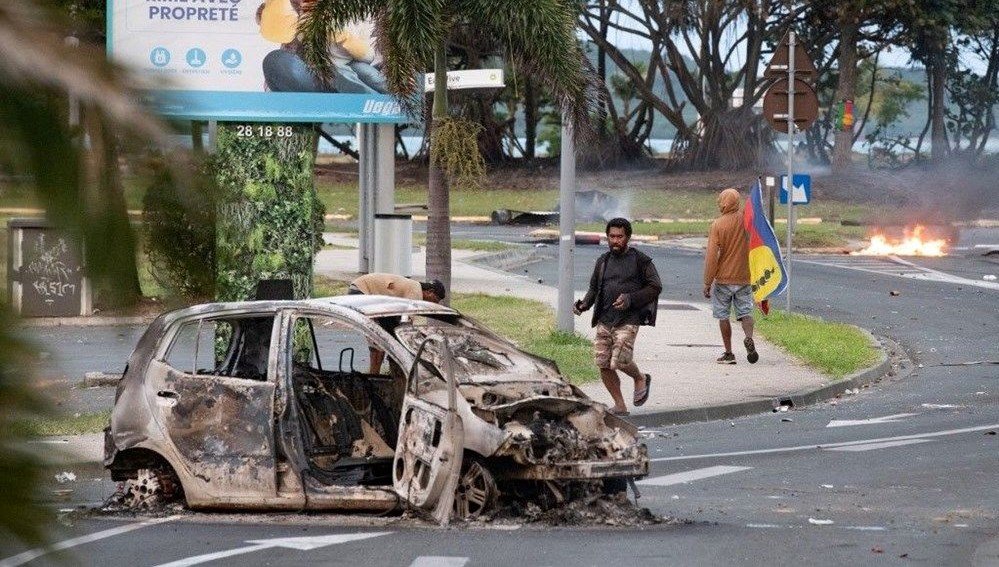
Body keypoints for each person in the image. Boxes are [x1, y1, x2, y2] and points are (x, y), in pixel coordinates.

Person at [574, 218, 662, 416]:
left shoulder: (641, 260)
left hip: (629, 319)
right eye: (612, 237)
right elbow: (594, 288)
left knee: (620, 361)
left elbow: (655, 286)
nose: (615, 241)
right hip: (605, 319)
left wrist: (631, 299)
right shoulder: (603, 261)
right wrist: (584, 304)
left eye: (619, 237)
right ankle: (620, 405)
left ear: (628, 237)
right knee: (603, 364)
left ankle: (640, 378)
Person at [703, 188, 759, 365]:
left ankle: (728, 353)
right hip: (744, 276)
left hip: (724, 279)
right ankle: (749, 337)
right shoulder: (747, 221)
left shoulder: (718, 225)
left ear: (723, 202)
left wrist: (707, 282)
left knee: (723, 315)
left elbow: (712, 255)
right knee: (745, 312)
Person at [347, 273, 445, 373]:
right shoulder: (416, 292)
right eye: (436, 300)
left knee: (389, 338)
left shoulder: (412, 288)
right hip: (362, 292)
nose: (435, 304)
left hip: (365, 293)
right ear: (430, 292)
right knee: (380, 344)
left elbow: (412, 320)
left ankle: (383, 374)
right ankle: (375, 377)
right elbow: (410, 322)